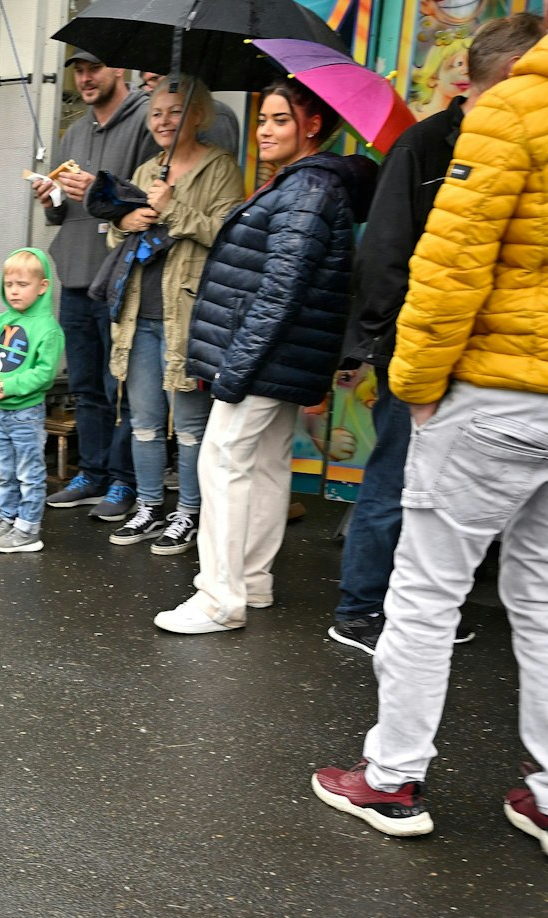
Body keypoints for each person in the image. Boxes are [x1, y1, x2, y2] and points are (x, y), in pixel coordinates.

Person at [313, 0, 548, 866]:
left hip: (505, 395)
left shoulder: (517, 107)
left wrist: (416, 384)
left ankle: (390, 779)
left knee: (427, 594)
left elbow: (450, 264)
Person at [325, 14, 544, 655]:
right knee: (394, 482)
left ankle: (417, 613)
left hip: (480, 352)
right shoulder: (424, 146)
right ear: (507, 77)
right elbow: (385, 253)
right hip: (416, 344)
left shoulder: (512, 144)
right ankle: (360, 609)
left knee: (445, 496)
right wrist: (370, 344)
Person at [152, 78, 374, 634]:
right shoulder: (309, 185)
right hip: (283, 359)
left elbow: (281, 289)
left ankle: (218, 598)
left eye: (280, 119)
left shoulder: (305, 190)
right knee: (268, 464)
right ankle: (251, 581)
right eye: (263, 119)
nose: (265, 130)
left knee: (223, 461)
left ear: (312, 125)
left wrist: (236, 369)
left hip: (264, 357)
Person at [102, 76, 245, 555]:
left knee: (189, 425)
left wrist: (171, 208)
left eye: (175, 111)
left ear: (199, 116)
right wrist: (124, 221)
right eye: (157, 113)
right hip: (139, 311)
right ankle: (146, 507)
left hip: (188, 314)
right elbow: (115, 236)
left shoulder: (221, 167)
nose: (164, 121)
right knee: (143, 419)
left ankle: (187, 512)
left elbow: (227, 231)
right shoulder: (145, 171)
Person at [34, 51, 158, 522]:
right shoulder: (74, 130)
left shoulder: (146, 120)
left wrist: (98, 192)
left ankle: (124, 481)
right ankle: (91, 473)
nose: (85, 78)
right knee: (84, 387)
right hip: (75, 275)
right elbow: (61, 215)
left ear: (119, 69)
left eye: (94, 69)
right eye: (79, 71)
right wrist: (51, 199)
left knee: (120, 388)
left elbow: (150, 199)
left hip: (122, 278)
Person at [0, 249, 64, 554]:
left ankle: (27, 530)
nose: (14, 290)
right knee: (5, 472)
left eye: (22, 284)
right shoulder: (3, 320)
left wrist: (8, 386)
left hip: (26, 414)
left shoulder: (48, 329)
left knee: (29, 474)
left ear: (42, 286)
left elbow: (44, 374)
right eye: (9, 283)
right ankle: (7, 520)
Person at [139, 71, 242, 156]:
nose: (149, 88)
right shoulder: (147, 169)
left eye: (155, 79)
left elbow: (217, 169)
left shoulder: (218, 115)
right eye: (146, 83)